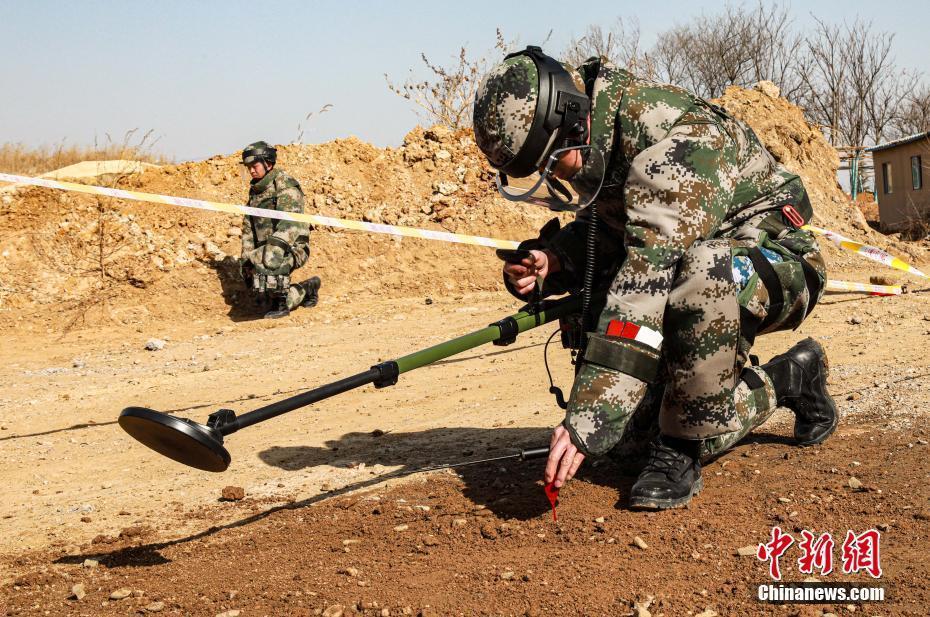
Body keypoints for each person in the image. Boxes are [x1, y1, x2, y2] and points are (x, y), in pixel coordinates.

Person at [472, 46, 838, 509]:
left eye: (550, 164)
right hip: (688, 266)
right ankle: (788, 378)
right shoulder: (597, 136)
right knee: (628, 444)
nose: (552, 179)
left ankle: (683, 450)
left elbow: (646, 280)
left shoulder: (675, 145)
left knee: (700, 290)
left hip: (774, 261)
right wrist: (556, 259)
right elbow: (615, 229)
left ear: (570, 119)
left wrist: (588, 416)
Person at [238, 141, 320, 319]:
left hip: (291, 248)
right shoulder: (256, 190)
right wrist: (246, 258)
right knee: (260, 298)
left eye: (255, 165)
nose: (251, 170)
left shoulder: (285, 186)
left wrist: (270, 253)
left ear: (268, 163)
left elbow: (290, 225)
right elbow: (248, 226)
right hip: (267, 249)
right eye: (248, 167)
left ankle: (283, 304)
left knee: (271, 277)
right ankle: (307, 288)